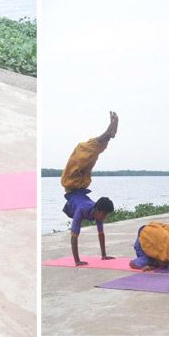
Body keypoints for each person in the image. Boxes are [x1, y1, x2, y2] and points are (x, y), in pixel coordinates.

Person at [61, 112, 118, 266]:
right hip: (72, 184)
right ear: (98, 210)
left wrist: (104, 255)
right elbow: (74, 236)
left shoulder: (97, 213)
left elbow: (101, 234)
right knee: (81, 152)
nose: (104, 218)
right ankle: (107, 134)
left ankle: (107, 136)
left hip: (81, 184)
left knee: (90, 158)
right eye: (104, 214)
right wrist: (77, 261)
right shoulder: (82, 209)